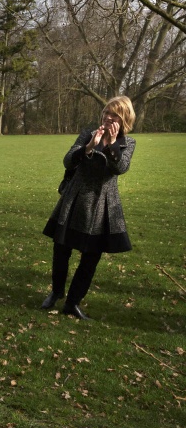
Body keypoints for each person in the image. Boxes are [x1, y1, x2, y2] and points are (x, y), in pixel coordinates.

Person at [41, 96, 136, 320]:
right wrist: (90, 146)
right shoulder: (88, 134)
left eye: (114, 115)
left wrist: (112, 144)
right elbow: (68, 161)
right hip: (74, 198)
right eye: (106, 113)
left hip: (102, 204)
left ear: (123, 119)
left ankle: (72, 303)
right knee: (61, 249)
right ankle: (56, 292)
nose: (108, 118)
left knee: (91, 257)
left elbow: (120, 168)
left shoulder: (127, 142)